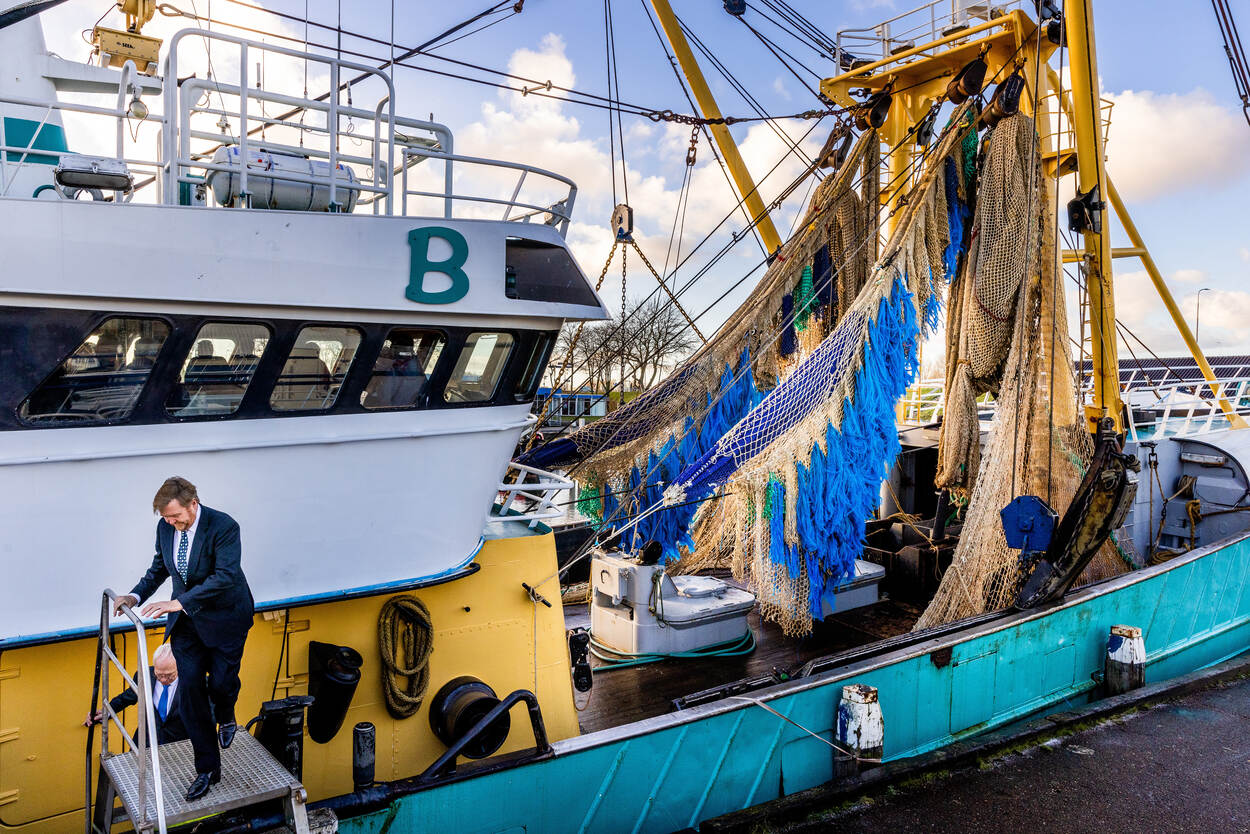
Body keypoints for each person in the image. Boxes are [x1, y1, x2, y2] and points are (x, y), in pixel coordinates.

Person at [113, 477, 254, 802]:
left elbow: (226, 576)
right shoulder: (166, 528)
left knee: (219, 684)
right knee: (189, 693)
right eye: (165, 518)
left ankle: (227, 714)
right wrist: (134, 596)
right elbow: (160, 568)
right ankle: (207, 769)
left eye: (175, 517)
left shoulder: (224, 527)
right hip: (187, 626)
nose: (170, 523)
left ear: (193, 504)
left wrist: (179, 602)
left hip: (225, 618)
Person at [84, 643, 188, 745]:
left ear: (179, 666)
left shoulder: (192, 682)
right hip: (145, 742)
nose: (164, 680)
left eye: (169, 675)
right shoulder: (145, 675)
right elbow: (127, 697)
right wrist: (106, 712)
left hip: (179, 744)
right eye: (159, 675)